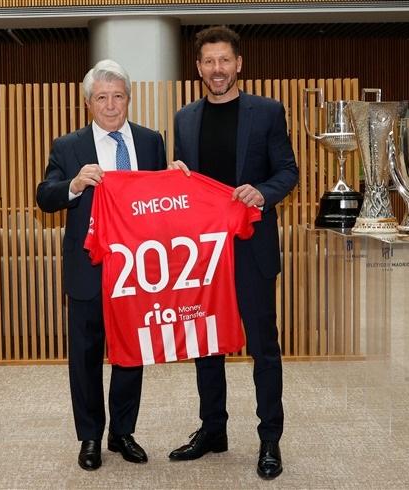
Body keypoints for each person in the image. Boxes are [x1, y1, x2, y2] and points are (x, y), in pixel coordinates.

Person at [167, 26, 299, 479]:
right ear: (198, 68)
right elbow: (186, 186)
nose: (217, 69)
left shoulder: (267, 112)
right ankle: (213, 430)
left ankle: (270, 439)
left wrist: (262, 193)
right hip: (203, 252)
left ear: (238, 64)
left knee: (263, 346)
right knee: (206, 345)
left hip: (251, 248)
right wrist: (176, 177)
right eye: (209, 61)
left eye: (224, 60)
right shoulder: (185, 119)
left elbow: (287, 171)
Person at [36, 59, 167, 471]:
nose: (111, 105)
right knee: (85, 356)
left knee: (131, 353)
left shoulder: (151, 142)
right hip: (88, 269)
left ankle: (122, 432)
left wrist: (177, 179)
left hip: (136, 268)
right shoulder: (68, 146)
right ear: (88, 103)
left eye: (118, 96)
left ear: (129, 99)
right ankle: (90, 436)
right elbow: (45, 196)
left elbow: (161, 200)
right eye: (102, 98)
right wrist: (74, 185)